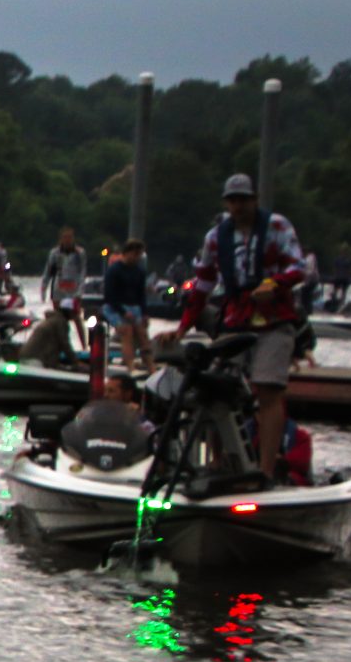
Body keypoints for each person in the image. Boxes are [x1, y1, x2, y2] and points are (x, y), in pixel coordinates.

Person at [156, 173, 308, 482]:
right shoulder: (216, 237)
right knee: (214, 388)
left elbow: (298, 267)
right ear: (227, 203)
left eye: (244, 200)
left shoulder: (277, 226)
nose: (238, 207)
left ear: (254, 200)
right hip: (236, 319)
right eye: (233, 201)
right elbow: (202, 286)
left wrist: (276, 283)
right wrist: (182, 329)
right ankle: (219, 461)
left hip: (274, 318)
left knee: (268, 389)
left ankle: (264, 469)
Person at [99, 239, 151, 374]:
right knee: (126, 331)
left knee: (142, 334)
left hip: (134, 306)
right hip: (114, 307)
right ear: (127, 253)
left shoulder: (139, 271)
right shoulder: (114, 270)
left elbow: (141, 294)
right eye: (136, 255)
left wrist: (144, 313)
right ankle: (131, 368)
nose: (137, 258)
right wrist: (122, 312)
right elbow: (109, 295)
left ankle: (151, 367)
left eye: (140, 255)